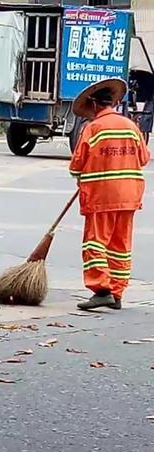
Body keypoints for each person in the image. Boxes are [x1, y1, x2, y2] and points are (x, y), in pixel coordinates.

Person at [70, 78, 151, 310]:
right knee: (121, 245)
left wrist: (81, 175)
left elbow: (76, 165)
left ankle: (101, 289)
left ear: (95, 105)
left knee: (95, 244)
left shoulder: (93, 128)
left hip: (101, 198)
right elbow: (144, 158)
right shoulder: (131, 126)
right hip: (129, 195)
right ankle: (117, 292)